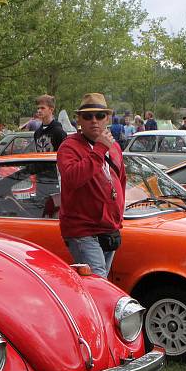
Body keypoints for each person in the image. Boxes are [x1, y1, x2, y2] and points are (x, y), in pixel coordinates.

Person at [57, 93, 126, 277]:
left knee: (99, 284)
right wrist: (100, 149)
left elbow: (121, 181)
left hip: (109, 228)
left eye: (99, 115)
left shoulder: (115, 146)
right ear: (79, 120)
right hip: (83, 230)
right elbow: (73, 178)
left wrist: (118, 218)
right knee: (97, 283)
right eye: (87, 116)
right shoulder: (69, 147)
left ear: (107, 118)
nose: (94, 121)